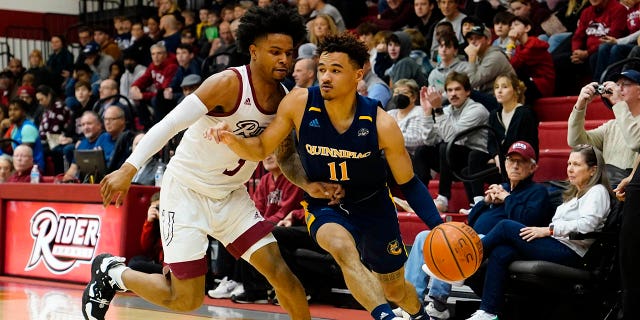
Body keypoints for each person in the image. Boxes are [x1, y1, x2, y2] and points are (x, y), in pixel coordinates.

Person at [84, 5, 315, 320]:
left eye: (289, 53)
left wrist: (311, 185)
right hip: (186, 193)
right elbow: (169, 125)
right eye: (275, 51)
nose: (285, 60)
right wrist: (128, 168)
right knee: (186, 299)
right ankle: (113, 272)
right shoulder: (227, 83)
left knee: (283, 276)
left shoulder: (286, 97)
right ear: (254, 51)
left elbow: (286, 155)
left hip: (232, 195)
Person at [209, 33, 444, 320]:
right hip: (325, 206)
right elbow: (268, 150)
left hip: (373, 205)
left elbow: (408, 182)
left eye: (336, 70)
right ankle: (387, 317)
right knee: (342, 249)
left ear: (358, 74)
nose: (326, 77)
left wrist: (436, 225)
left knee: (394, 289)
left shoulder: (381, 123)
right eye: (322, 69)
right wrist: (232, 139)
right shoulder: (299, 103)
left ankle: (420, 314)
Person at [400, 140, 552, 319]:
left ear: (533, 168)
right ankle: (410, 304)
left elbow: (525, 222)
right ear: (504, 163)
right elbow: (471, 219)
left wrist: (507, 199)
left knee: (450, 244)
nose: (516, 165)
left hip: (492, 242)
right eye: (511, 160)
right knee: (424, 236)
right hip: (470, 236)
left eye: (522, 162)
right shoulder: (500, 188)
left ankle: (438, 304)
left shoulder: (538, 192)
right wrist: (485, 202)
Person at [464, 144, 612, 320]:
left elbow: (588, 224)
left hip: (574, 254)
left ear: (593, 170)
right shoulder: (574, 195)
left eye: (576, 165)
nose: (570, 169)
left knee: (505, 226)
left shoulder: (598, 191)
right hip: (559, 245)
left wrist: (548, 230)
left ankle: (462, 264)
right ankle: (488, 311)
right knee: (502, 251)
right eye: (569, 163)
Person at [418, 71, 490, 212]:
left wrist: (438, 110)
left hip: (476, 158)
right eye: (449, 90)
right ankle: (420, 198)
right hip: (453, 158)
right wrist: (427, 113)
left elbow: (453, 138)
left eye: (457, 89)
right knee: (422, 151)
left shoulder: (477, 109)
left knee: (446, 147)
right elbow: (429, 140)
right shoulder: (447, 110)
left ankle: (443, 198)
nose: (453, 94)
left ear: (468, 91)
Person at [568, 70, 640, 187]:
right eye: (617, 84)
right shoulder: (612, 126)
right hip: (607, 191)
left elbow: (636, 143)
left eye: (625, 84)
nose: (618, 88)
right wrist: (580, 106)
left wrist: (618, 102)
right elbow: (576, 142)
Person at [128, 192, 164, 274]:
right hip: (157, 260)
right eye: (155, 208)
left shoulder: (173, 222)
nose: (157, 210)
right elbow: (146, 247)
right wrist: (148, 222)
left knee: (135, 266)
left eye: (159, 207)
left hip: (167, 266)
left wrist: (163, 220)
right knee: (134, 260)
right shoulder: (154, 223)